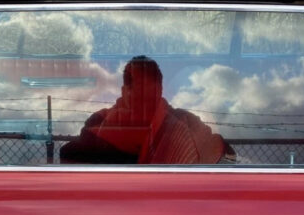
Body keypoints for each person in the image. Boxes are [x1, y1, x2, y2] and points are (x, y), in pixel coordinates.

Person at [60, 56, 234, 165]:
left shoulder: (186, 122)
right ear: (124, 91)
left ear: (160, 90)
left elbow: (224, 156)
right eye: (139, 94)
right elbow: (72, 159)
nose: (145, 106)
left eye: (150, 97)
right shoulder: (98, 123)